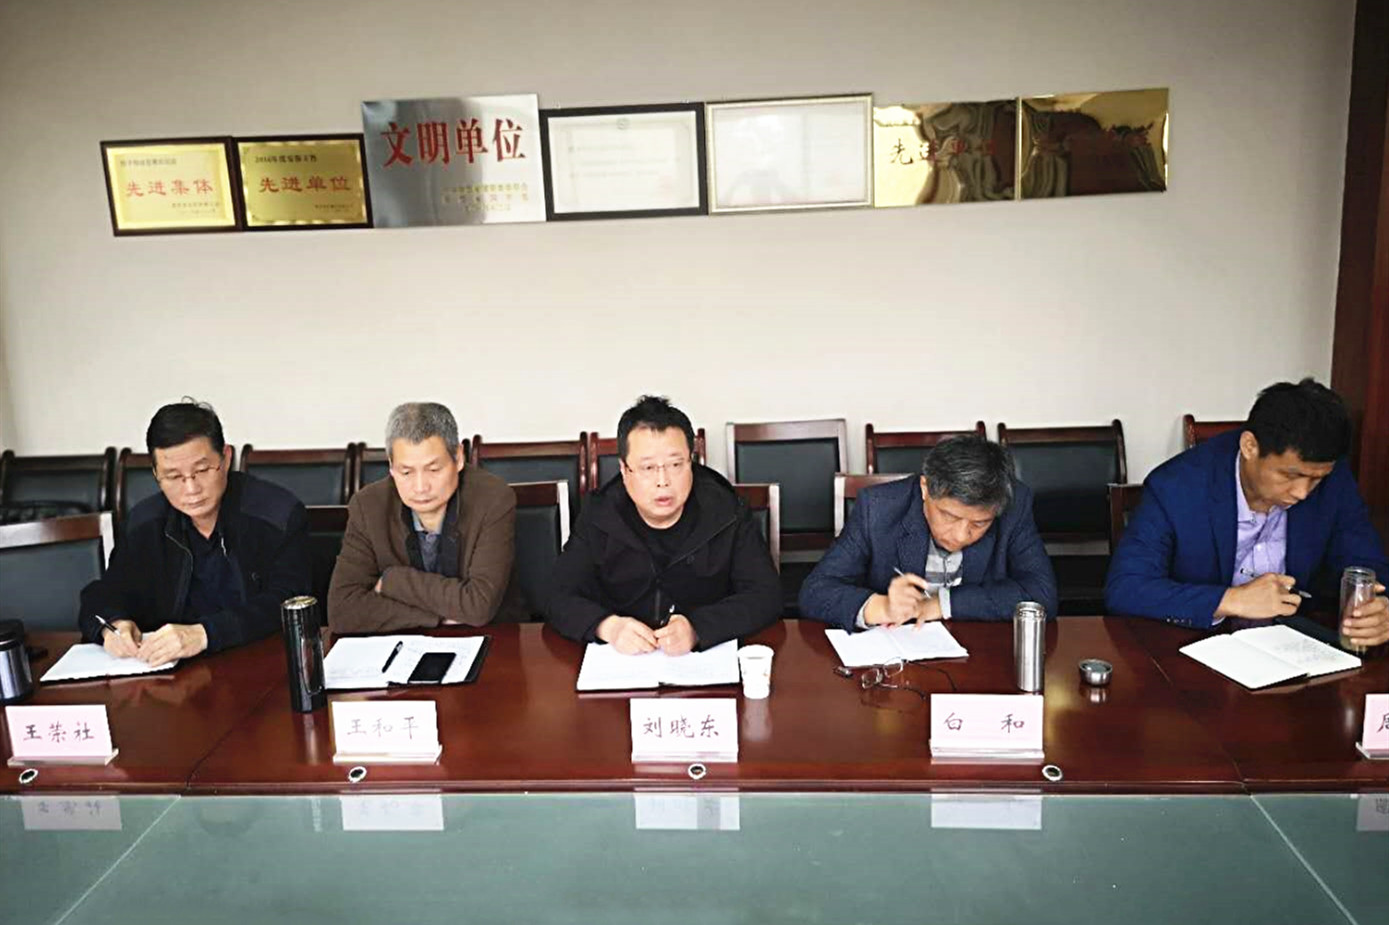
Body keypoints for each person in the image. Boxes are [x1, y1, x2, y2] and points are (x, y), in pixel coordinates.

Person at [1106, 379, 1389, 647]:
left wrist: (1377, 608)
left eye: (1316, 479)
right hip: (1196, 648)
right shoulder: (1177, 487)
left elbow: (1368, 564)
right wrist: (1232, 600)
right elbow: (1126, 588)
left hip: (1298, 647)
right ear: (1250, 446)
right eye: (1291, 475)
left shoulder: (1333, 480)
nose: (1303, 492)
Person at [544, 395, 781, 654]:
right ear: (624, 469)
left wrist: (699, 628)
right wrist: (609, 627)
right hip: (624, 661)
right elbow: (557, 596)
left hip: (704, 661)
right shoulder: (599, 514)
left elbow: (766, 595)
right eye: (647, 468)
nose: (663, 481)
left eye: (675, 464)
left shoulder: (726, 510)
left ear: (691, 461)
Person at [79, 400, 310, 662]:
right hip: (171, 674)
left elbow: (290, 600)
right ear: (156, 474)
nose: (191, 489)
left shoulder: (277, 514)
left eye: (202, 470)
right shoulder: (144, 523)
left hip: (259, 663)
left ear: (226, 458)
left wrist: (206, 634)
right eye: (173, 476)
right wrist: (113, 625)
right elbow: (104, 593)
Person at [800, 435, 1057, 628]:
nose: (960, 535)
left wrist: (942, 604)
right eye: (949, 516)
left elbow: (1042, 596)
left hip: (980, 650)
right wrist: (881, 607)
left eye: (979, 524)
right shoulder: (878, 508)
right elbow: (815, 592)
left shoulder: (1014, 505)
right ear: (925, 488)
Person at [329, 402, 525, 630]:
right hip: (401, 643)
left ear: (458, 457)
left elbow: (478, 606)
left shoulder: (492, 498)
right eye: (406, 472)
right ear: (391, 466)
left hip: (494, 638)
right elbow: (342, 610)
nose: (420, 487)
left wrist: (393, 581)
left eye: (433, 469)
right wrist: (437, 618)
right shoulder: (368, 506)